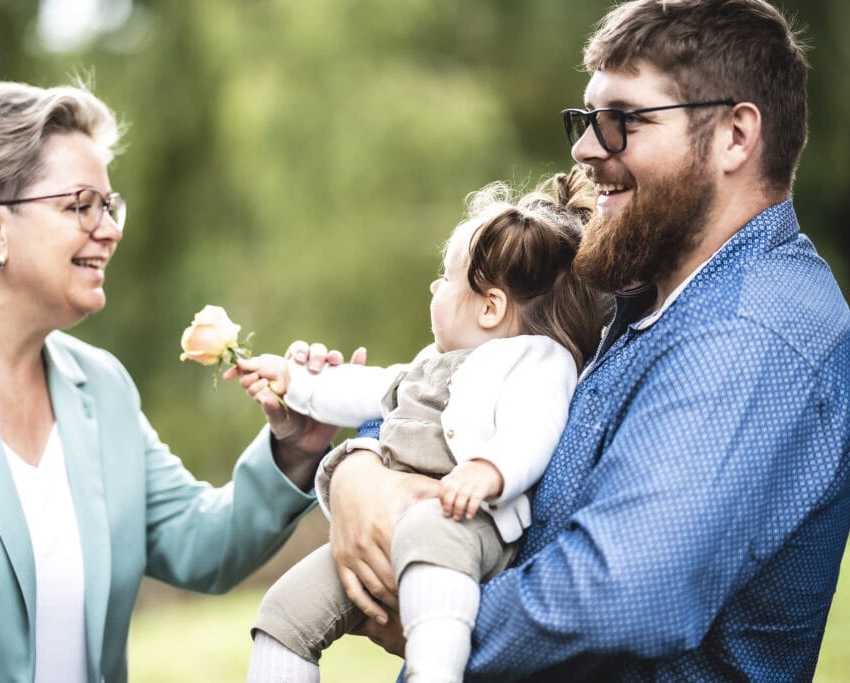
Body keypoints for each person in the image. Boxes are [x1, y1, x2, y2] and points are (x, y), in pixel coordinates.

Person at [324, 0, 850, 680]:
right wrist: (361, 464)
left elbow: (622, 593)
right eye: (587, 118)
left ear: (735, 135)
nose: (583, 147)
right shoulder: (640, 286)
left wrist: (433, 614)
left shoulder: (756, 332)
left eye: (623, 119)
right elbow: (461, 382)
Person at [0, 81, 342, 683]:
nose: (110, 229)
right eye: (80, 206)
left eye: (110, 205)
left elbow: (202, 544)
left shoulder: (102, 387)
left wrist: (295, 447)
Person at [232, 169, 607, 682]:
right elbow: (363, 389)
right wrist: (292, 380)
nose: (434, 286)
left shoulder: (538, 360)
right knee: (285, 612)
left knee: (434, 535)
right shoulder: (430, 363)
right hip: (393, 525)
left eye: (446, 278)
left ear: (492, 307)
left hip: (465, 516)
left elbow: (534, 428)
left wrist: (488, 471)